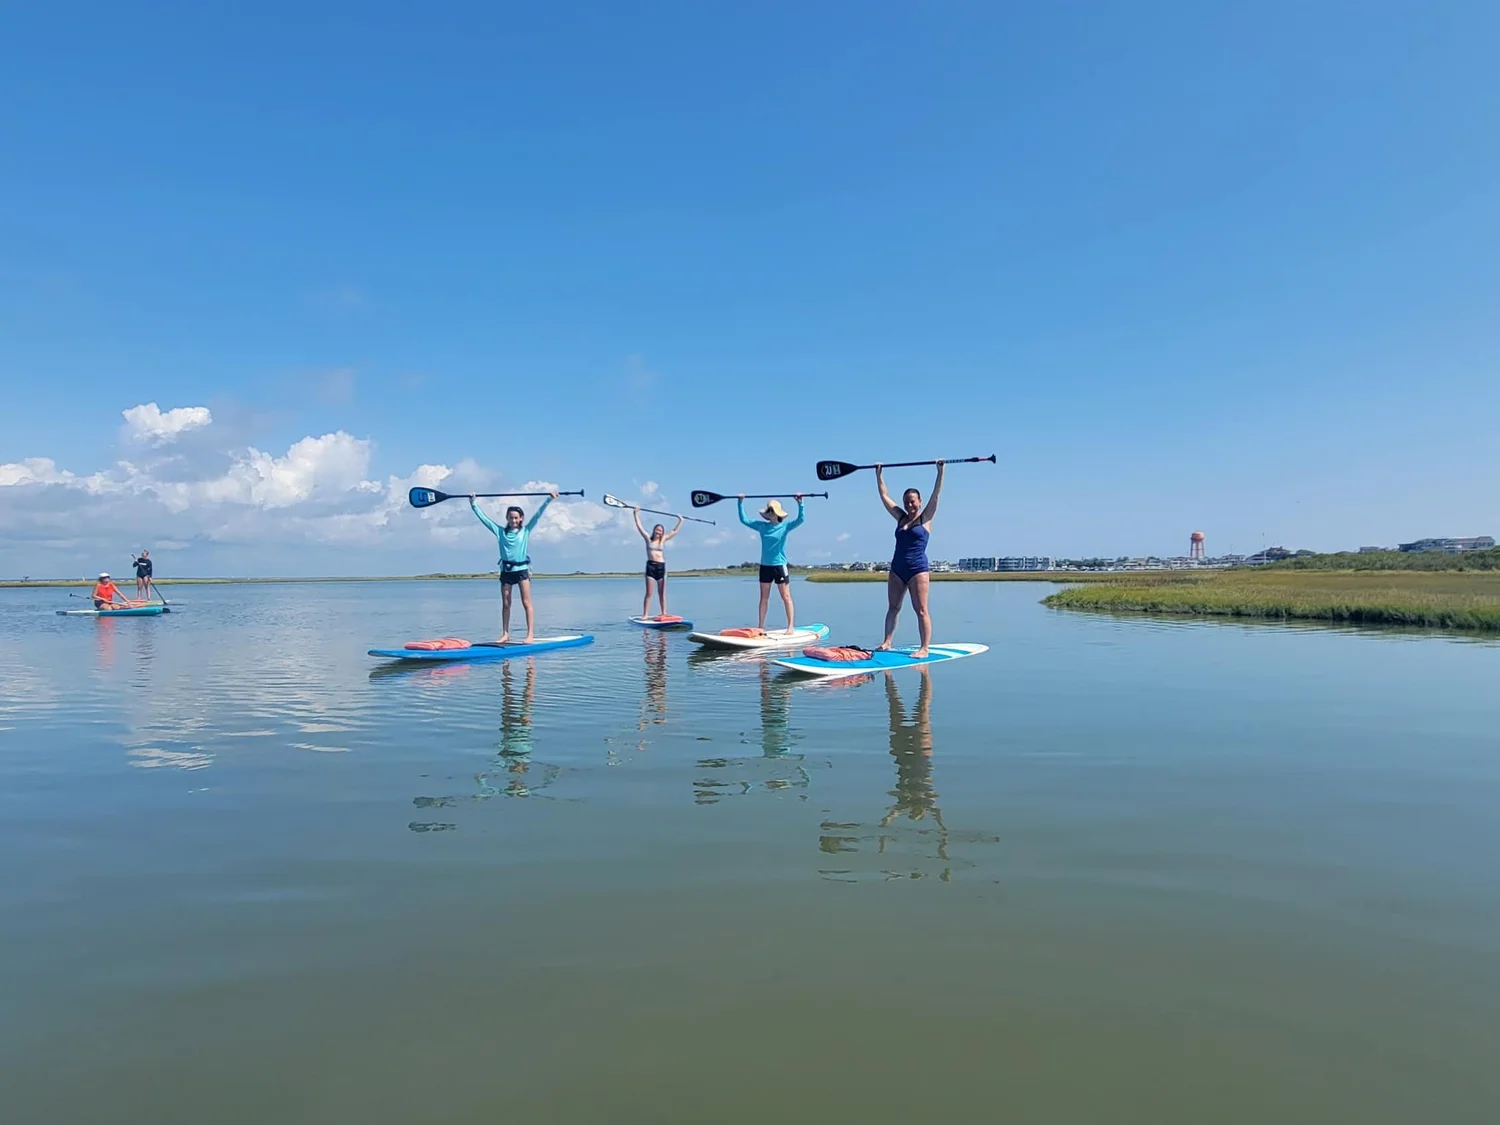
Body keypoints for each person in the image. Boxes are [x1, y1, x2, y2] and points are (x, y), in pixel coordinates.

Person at [876, 460, 945, 657]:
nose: (909, 504)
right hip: (897, 569)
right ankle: (887, 642)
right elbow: (884, 496)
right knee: (893, 608)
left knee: (921, 610)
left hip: (918, 570)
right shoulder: (900, 517)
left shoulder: (926, 518)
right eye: (906, 501)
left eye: (913, 500)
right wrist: (879, 474)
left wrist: (940, 471)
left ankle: (924, 648)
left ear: (920, 501)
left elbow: (936, 494)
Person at [470, 491, 558, 643]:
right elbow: (484, 519)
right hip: (506, 572)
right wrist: (473, 504)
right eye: (511, 517)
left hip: (522, 572)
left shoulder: (526, 530)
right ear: (507, 518)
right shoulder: (500, 532)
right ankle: (505, 634)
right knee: (506, 603)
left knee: (526, 602)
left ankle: (530, 634)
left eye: (516, 517)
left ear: (521, 518)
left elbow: (538, 515)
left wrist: (548, 499)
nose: (514, 520)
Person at [737, 494, 805, 633]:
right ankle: (761, 626)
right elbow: (744, 520)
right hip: (765, 566)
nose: (770, 513)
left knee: (785, 596)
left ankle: (790, 626)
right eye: (769, 511)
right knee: (763, 598)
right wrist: (740, 502)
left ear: (778, 513)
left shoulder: (785, 526)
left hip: (779, 566)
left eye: (772, 511)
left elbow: (800, 520)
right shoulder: (762, 526)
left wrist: (800, 503)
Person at [633, 507, 683, 618]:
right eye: (657, 530)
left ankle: (664, 613)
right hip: (650, 567)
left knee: (662, 593)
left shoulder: (663, 539)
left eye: (661, 531)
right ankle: (645, 615)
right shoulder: (648, 539)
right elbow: (639, 527)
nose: (659, 532)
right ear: (654, 530)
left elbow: (674, 531)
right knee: (649, 593)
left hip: (661, 567)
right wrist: (635, 514)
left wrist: (680, 521)